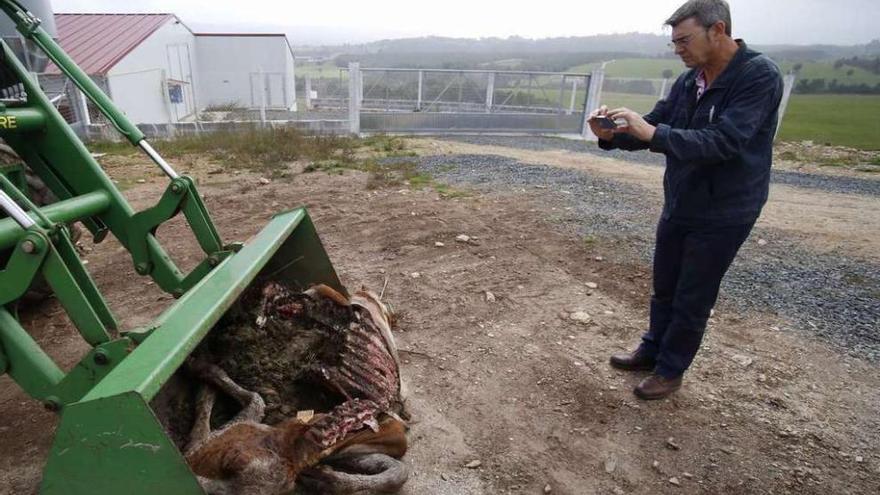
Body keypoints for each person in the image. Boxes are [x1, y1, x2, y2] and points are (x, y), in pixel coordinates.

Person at [588, 0, 784, 399]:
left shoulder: (757, 76)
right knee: (665, 286)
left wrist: (652, 133)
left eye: (684, 40)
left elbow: (724, 142)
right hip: (682, 200)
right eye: (674, 42)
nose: (678, 49)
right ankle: (652, 350)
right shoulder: (689, 80)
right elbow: (655, 126)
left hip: (727, 209)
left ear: (718, 31)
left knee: (693, 294)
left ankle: (671, 369)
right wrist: (611, 135)